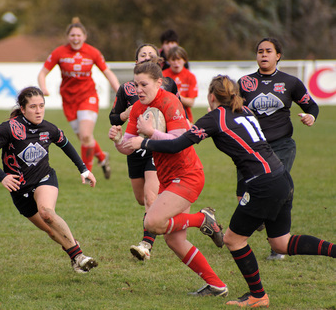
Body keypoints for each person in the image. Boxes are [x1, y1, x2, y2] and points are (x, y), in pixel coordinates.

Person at [125, 75, 335, 308]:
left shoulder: (215, 118)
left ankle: (258, 295)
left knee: (233, 240)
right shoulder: (244, 110)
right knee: (280, 243)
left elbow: (176, 144)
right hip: (281, 177)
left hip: (262, 183)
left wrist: (143, 141)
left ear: (212, 96)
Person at [109, 61, 228, 297]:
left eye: (143, 84)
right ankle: (217, 285)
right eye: (135, 85)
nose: (138, 90)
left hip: (187, 174)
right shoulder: (136, 109)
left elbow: (177, 140)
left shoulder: (170, 102)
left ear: (158, 82)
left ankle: (201, 219)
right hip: (168, 178)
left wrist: (150, 133)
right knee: (174, 241)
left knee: (152, 222)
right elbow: (129, 147)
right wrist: (117, 139)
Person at [0, 86, 99, 273]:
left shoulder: (49, 129)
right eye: (33, 106)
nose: (38, 111)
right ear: (22, 108)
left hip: (44, 178)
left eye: (41, 106)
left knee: (47, 213)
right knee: (51, 231)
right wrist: (2, 177)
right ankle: (74, 255)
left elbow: (66, 145)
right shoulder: (8, 128)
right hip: (19, 190)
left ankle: (79, 256)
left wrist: (83, 169)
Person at [238, 37, 319, 260]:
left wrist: (311, 115)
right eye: (260, 51)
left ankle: (277, 246)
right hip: (250, 146)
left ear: (278, 55)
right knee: (242, 195)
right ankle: (261, 221)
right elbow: (232, 108)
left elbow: (310, 104)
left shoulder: (290, 82)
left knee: (275, 191)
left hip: (281, 144)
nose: (263, 55)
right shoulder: (244, 82)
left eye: (268, 51)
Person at [109, 43, 178, 261]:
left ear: (159, 62)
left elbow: (177, 126)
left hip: (157, 148)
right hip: (135, 145)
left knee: (151, 197)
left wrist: (155, 133)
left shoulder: (168, 87)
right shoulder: (128, 90)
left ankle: (145, 245)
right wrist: (123, 123)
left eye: (151, 55)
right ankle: (196, 218)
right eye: (142, 55)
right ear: (136, 61)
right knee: (142, 199)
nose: (146, 57)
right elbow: (115, 119)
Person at [38, 17, 119, 180]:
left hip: (88, 97)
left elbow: (107, 72)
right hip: (69, 101)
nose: (76, 38)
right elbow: (42, 73)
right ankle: (102, 157)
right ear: (68, 37)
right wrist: (43, 88)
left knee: (86, 135)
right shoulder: (59, 52)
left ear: (85, 36)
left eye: (78, 35)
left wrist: (120, 91)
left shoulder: (93, 52)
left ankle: (87, 172)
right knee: (84, 137)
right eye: (72, 35)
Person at [162, 46, 198, 123]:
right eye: (173, 59)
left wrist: (176, 95)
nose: (176, 63)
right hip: (166, 119)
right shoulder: (163, 75)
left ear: (184, 60)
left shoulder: (190, 76)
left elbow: (191, 103)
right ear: (168, 61)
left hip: (185, 119)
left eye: (178, 59)